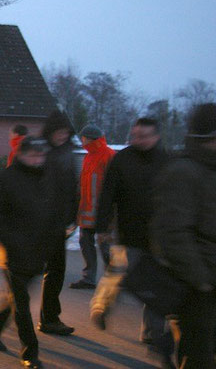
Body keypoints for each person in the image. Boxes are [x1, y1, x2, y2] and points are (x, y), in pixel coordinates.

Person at [95, 117, 172, 354]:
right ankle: (101, 307)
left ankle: (151, 331)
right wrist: (102, 224)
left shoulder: (168, 161)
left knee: (157, 285)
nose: (138, 140)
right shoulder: (123, 159)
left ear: (156, 136)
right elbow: (108, 193)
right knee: (119, 273)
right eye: (135, 135)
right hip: (129, 231)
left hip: (160, 234)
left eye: (144, 135)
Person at [0, 136, 55, 369]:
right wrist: (11, 243)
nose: (36, 159)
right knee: (22, 303)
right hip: (12, 252)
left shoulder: (46, 179)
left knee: (16, 298)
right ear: (21, 154)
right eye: (32, 154)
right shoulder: (6, 179)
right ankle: (30, 352)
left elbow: (51, 212)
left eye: (40, 155)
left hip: (37, 250)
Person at [152, 103, 216, 368]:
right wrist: (201, 280)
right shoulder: (184, 171)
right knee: (198, 357)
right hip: (199, 286)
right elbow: (173, 232)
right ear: (208, 137)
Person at [38, 110, 77, 336]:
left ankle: (49, 317)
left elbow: (71, 188)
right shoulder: (42, 153)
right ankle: (3, 318)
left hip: (58, 222)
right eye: (58, 132)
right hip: (42, 221)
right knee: (27, 274)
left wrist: (71, 215)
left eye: (65, 132)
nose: (62, 136)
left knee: (55, 271)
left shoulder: (67, 153)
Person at [70, 124, 114, 289]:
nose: (81, 140)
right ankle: (89, 278)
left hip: (103, 211)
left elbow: (113, 185)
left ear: (89, 138)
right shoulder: (89, 156)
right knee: (86, 243)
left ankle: (114, 277)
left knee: (105, 245)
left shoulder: (108, 155)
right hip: (87, 210)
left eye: (83, 137)